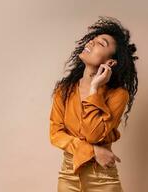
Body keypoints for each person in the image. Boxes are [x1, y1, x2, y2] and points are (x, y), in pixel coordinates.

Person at [49, 16, 138, 192]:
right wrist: (94, 151)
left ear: (109, 62)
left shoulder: (118, 95)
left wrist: (94, 89)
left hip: (102, 179)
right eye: (93, 40)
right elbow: (55, 134)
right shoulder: (64, 90)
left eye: (101, 43)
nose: (91, 43)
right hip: (68, 174)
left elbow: (93, 135)